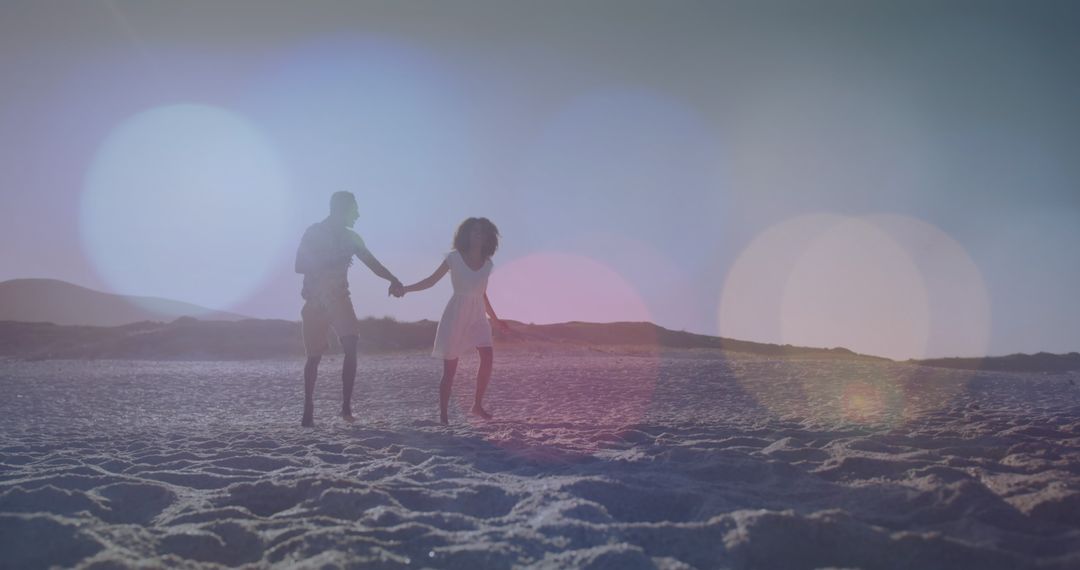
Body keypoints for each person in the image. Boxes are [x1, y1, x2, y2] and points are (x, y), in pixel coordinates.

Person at [294, 191, 404, 427]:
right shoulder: (313, 232)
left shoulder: (352, 237)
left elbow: (372, 262)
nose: (358, 214)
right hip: (315, 301)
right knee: (313, 358)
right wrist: (331, 260)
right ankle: (308, 406)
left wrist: (393, 279)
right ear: (340, 209)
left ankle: (345, 407)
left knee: (351, 346)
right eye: (354, 209)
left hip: (340, 299)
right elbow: (299, 264)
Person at [400, 217, 510, 424]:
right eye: (474, 231)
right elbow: (430, 281)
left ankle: (477, 405)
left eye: (482, 232)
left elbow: (483, 294)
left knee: (487, 356)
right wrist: (405, 289)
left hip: (478, 315)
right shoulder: (454, 258)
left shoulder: (488, 264)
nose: (478, 235)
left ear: (488, 238)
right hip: (456, 314)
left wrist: (495, 320)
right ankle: (443, 415)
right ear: (466, 234)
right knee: (450, 369)